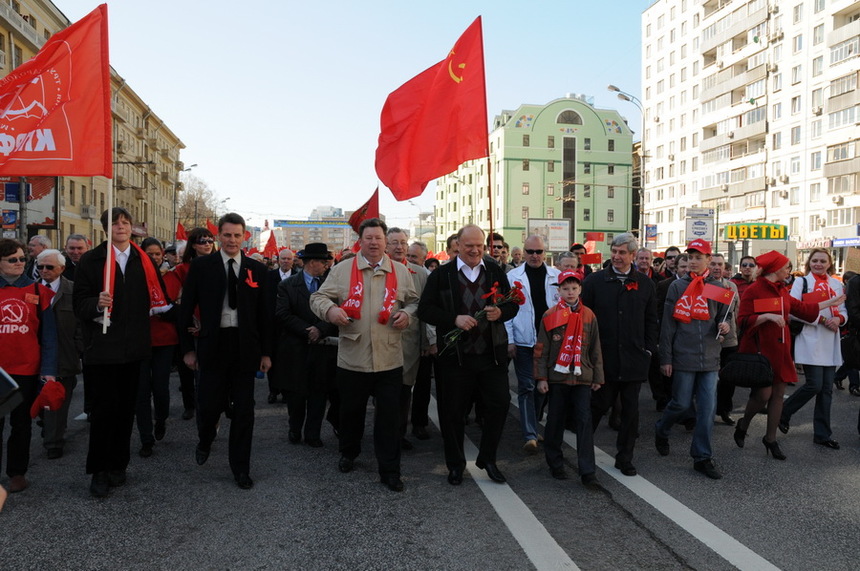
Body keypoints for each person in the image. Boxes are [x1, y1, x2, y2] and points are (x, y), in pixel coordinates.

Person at [310, 218, 419, 492]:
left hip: (389, 357)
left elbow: (415, 301)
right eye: (368, 238)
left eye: (378, 238)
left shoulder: (400, 272)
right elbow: (318, 298)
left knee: (389, 419)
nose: (373, 243)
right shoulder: (343, 270)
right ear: (361, 241)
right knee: (351, 413)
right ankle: (349, 452)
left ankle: (390, 470)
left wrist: (407, 314)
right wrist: (331, 311)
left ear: (385, 241)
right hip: (353, 357)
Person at [418, 224, 518, 486]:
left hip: (491, 355)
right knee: (452, 413)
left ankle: (488, 458)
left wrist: (501, 313)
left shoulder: (495, 270)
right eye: (469, 245)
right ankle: (456, 464)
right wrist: (454, 319)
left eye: (479, 245)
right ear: (457, 246)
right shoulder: (442, 275)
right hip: (455, 358)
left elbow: (511, 304)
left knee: (499, 405)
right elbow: (425, 310)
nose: (475, 250)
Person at [179, 213, 272, 490]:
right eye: (227, 235)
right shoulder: (202, 267)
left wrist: (266, 353)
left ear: (245, 237)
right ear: (219, 236)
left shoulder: (258, 270)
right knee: (208, 406)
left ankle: (240, 468)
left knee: (244, 411)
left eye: (237, 235)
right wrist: (187, 350)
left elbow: (266, 316)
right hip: (212, 345)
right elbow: (185, 310)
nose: (232, 240)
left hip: (245, 348)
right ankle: (205, 439)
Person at [74, 207, 161, 498]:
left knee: (126, 411)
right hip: (102, 349)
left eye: (125, 222)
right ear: (105, 228)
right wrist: (97, 304)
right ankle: (99, 470)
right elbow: (79, 305)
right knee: (102, 413)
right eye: (115, 223)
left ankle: (118, 465)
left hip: (134, 349)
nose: (121, 227)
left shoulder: (143, 259)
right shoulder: (91, 259)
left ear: (131, 228)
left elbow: (157, 299)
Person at [733, 251, 843, 461]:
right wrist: (765, 316)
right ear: (774, 269)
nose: (788, 271)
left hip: (781, 350)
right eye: (786, 267)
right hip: (761, 351)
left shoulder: (783, 290)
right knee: (763, 395)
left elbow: (802, 308)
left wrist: (830, 303)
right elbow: (743, 320)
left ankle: (771, 439)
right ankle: (744, 423)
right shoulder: (755, 289)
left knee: (777, 397)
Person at [581, 233, 658, 477]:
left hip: (634, 359)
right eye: (614, 251)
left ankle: (625, 457)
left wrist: (648, 349)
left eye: (622, 252)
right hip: (603, 359)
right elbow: (585, 318)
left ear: (633, 256)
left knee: (630, 413)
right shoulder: (595, 281)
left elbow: (651, 321)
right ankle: (584, 457)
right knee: (597, 407)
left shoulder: (645, 284)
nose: (616, 256)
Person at [654, 240, 731, 480]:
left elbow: (725, 318)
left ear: (709, 260)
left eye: (700, 257)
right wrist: (665, 358)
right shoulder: (677, 287)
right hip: (683, 356)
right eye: (691, 257)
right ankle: (662, 429)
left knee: (707, 410)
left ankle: (702, 457)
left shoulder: (716, 287)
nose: (694, 262)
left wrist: (726, 326)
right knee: (681, 403)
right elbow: (667, 326)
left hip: (710, 358)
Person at [535, 270, 603, 488]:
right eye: (565, 288)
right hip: (557, 377)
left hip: (582, 376)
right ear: (559, 291)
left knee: (584, 422)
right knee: (555, 420)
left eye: (574, 288)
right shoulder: (550, 315)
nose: (570, 292)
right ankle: (555, 463)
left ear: (580, 289)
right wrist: (542, 377)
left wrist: (598, 376)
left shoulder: (589, 315)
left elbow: (595, 348)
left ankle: (588, 471)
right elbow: (541, 350)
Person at [0, 239, 58, 493]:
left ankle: (17, 472)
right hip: (0, 372)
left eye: (23, 258)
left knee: (21, 425)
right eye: (13, 259)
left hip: (26, 370)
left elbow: (49, 336)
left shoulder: (39, 291)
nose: (20, 263)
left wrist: (48, 370)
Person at [779, 249, 846, 450]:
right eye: (815, 260)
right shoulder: (802, 282)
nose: (818, 264)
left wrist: (839, 319)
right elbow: (793, 311)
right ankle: (784, 411)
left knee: (826, 390)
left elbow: (843, 310)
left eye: (822, 261)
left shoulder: (837, 284)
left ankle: (823, 434)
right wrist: (824, 319)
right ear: (809, 263)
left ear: (829, 263)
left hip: (830, 340)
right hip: (810, 339)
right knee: (814, 385)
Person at [275, 243, 338, 447]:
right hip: (296, 348)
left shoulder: (331, 285)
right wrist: (307, 330)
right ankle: (295, 427)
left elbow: (337, 310)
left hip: (322, 347)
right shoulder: (288, 285)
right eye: (323, 262)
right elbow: (283, 314)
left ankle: (313, 433)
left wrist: (320, 329)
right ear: (312, 262)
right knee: (296, 394)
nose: (326, 266)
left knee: (319, 393)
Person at [505, 235, 560, 453]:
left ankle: (533, 424)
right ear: (523, 253)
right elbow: (508, 312)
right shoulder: (513, 277)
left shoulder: (556, 276)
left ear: (545, 252)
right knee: (527, 386)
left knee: (543, 387)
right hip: (523, 340)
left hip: (549, 342)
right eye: (530, 251)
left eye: (538, 252)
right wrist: (510, 340)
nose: (534, 256)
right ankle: (529, 434)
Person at [385, 228, 434, 450]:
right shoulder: (379, 269)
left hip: (410, 343)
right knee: (385, 392)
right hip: (382, 340)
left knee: (405, 391)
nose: (399, 247)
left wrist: (427, 341)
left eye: (403, 243)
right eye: (394, 242)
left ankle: (398, 434)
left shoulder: (420, 273)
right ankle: (384, 433)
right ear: (386, 246)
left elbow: (425, 310)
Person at [163, 227, 215, 421]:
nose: (208, 244)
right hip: (189, 325)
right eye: (203, 241)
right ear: (194, 245)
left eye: (210, 240)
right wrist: (190, 319)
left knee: (210, 370)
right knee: (188, 369)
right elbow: (174, 299)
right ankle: (189, 404)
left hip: (213, 325)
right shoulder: (182, 269)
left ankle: (212, 404)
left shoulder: (219, 265)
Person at [36, 249, 81, 460]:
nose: (44, 270)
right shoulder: (30, 290)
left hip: (65, 356)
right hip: (35, 356)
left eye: (49, 267)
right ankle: (48, 428)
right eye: (40, 266)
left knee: (59, 402)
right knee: (38, 400)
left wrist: (78, 348)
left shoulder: (73, 291)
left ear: (62, 269)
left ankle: (54, 442)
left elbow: (82, 324)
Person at [136, 238, 179, 458]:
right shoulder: (133, 277)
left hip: (165, 341)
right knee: (141, 391)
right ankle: (146, 438)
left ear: (163, 255)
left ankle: (161, 418)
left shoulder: (172, 277)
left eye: (156, 254)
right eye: (148, 254)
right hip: (139, 342)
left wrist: (164, 308)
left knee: (161, 388)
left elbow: (177, 307)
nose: (153, 258)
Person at [709, 253, 740, 426]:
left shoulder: (731, 287)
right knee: (710, 379)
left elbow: (735, 312)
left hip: (729, 340)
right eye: (713, 264)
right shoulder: (704, 286)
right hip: (710, 340)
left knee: (729, 379)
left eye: (720, 264)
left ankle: (724, 410)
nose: (717, 267)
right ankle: (707, 410)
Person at [266, 248, 298, 404]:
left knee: (288, 360)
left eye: (288, 259)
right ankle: (273, 390)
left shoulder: (298, 277)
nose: (285, 261)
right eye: (283, 258)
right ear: (278, 260)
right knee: (272, 357)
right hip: (272, 325)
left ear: (293, 261)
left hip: (290, 325)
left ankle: (287, 390)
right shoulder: (269, 277)